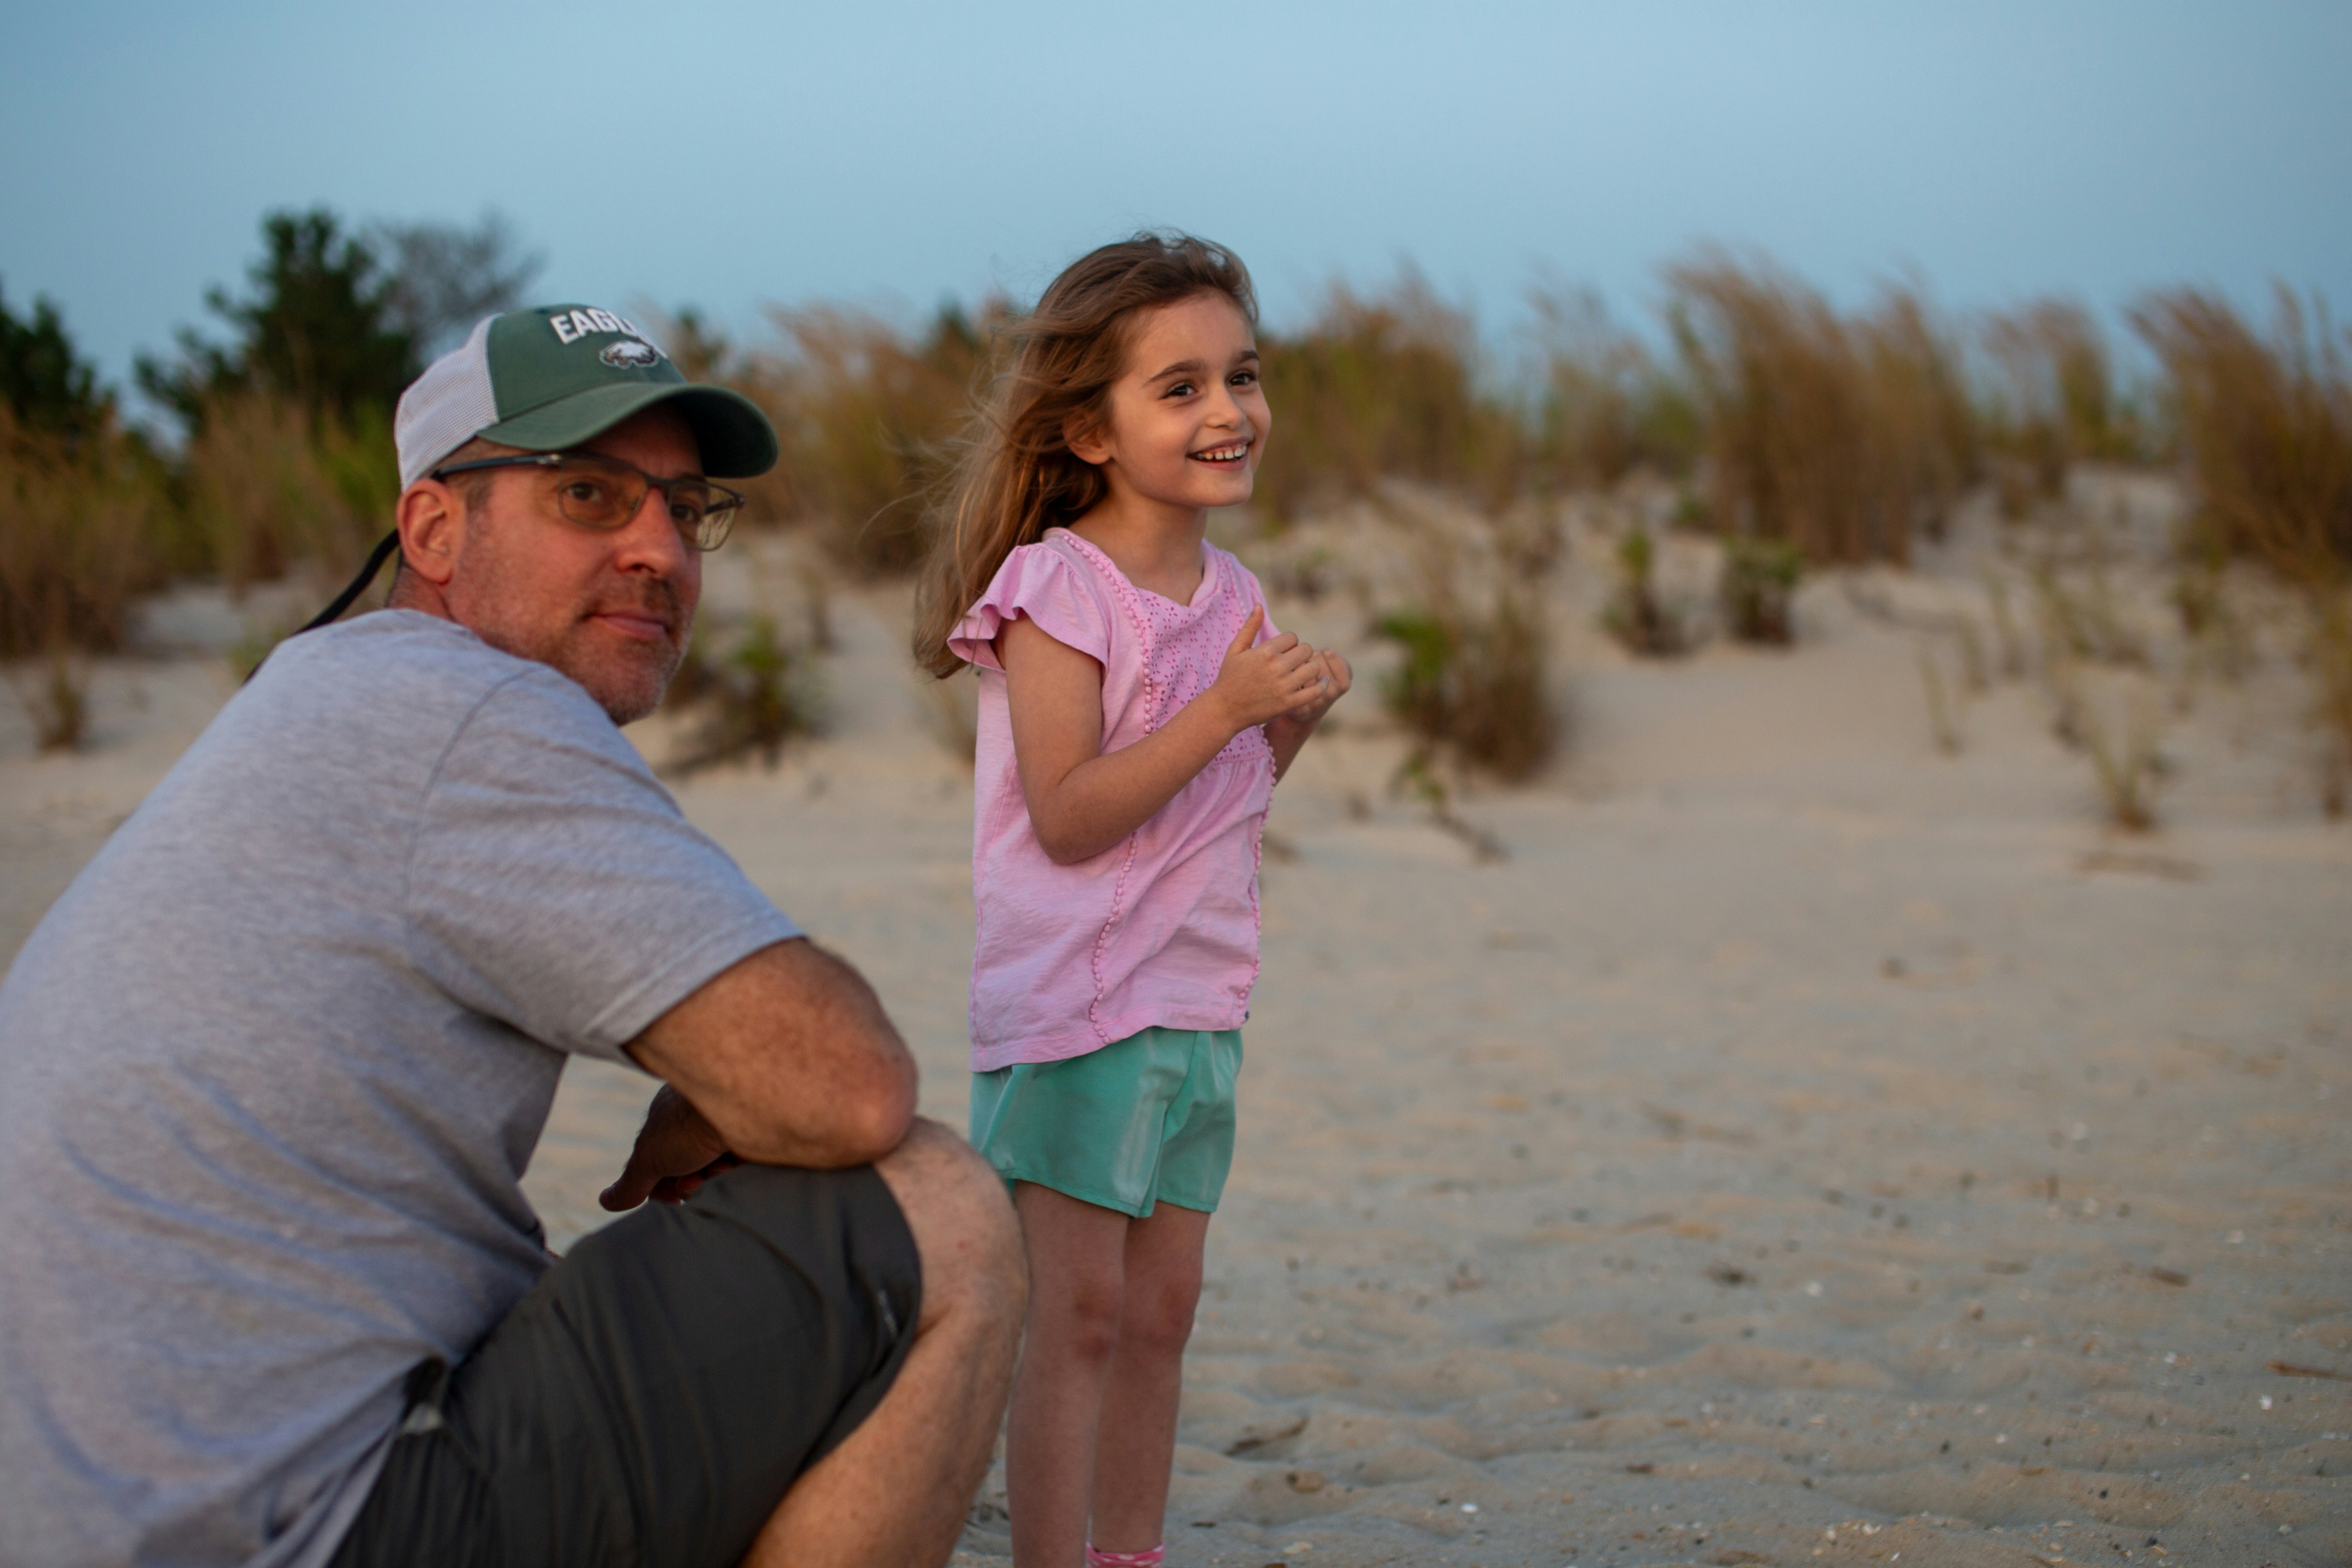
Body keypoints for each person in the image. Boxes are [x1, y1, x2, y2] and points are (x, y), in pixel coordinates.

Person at [0, 304, 1025, 1568]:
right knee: (939, 1205)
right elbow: (851, 1088)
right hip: (279, 1527)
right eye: (589, 494)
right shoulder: (464, 709)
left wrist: (721, 1081)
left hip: (105, 1501)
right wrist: (741, 1085)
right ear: (433, 527)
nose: (660, 548)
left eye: (685, 505)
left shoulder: (316, 691)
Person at [910, 235, 1351, 1568]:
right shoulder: (1059, 587)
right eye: (1180, 387)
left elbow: (1229, 793)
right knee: (1079, 1315)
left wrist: (1289, 723)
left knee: (1163, 1311)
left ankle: (1130, 1553)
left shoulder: (1235, 595)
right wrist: (1228, 702)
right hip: (1077, 1005)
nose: (1227, 412)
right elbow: (1073, 811)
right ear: (1088, 430)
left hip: (1196, 995)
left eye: (1243, 376)